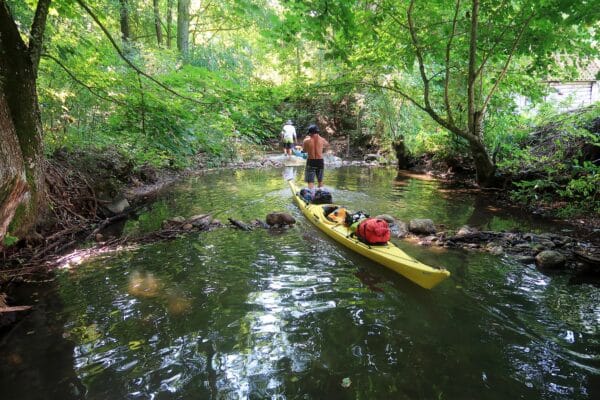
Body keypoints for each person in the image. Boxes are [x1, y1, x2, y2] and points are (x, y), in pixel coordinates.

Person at [303, 124, 329, 190]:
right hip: (320, 161)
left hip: (311, 161)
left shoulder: (306, 141)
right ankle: (321, 193)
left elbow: (305, 150)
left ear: (310, 133)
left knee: (310, 181)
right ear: (317, 132)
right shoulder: (322, 140)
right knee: (320, 180)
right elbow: (327, 145)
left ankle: (310, 195)